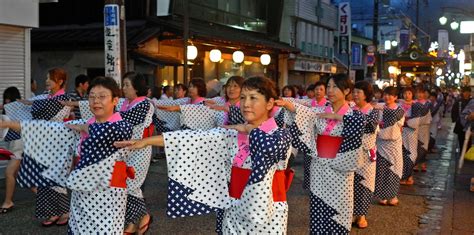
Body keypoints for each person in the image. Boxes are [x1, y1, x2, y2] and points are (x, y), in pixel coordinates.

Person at [115, 76, 293, 234]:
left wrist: (248, 129)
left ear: (270, 103)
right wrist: (147, 141)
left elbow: (269, 146)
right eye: (244, 98)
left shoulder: (280, 135)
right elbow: (191, 138)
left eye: (253, 98)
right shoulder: (232, 133)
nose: (246, 104)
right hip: (233, 205)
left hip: (267, 211)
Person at [278, 73, 365, 233]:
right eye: (329, 86)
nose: (330, 90)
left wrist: (337, 116)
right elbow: (302, 113)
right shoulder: (320, 110)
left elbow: (362, 125)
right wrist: (287, 105)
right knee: (318, 210)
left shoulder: (354, 114)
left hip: (340, 170)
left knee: (338, 212)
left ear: (346, 90)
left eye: (335, 87)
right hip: (319, 167)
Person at [15, 68, 72, 226]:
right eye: (47, 77)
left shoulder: (63, 98)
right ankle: (54, 211)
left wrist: (33, 105)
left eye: (50, 78)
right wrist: (19, 104)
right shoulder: (47, 97)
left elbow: (40, 111)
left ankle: (64, 212)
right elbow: (33, 105)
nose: (47, 80)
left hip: (57, 143)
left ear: (60, 82)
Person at [120, 72, 155, 234]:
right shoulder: (125, 103)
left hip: (139, 150)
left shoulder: (144, 104)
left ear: (137, 88)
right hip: (123, 151)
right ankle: (134, 222)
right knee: (121, 185)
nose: (124, 88)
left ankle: (143, 217)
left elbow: (124, 120)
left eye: (127, 85)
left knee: (131, 185)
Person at [352, 81, 379, 229]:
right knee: (350, 184)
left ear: (366, 95)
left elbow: (369, 127)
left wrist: (350, 121)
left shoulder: (373, 111)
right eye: (354, 92)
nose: (355, 95)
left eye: (358, 92)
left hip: (367, 153)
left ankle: (361, 215)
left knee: (364, 183)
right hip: (350, 153)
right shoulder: (350, 109)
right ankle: (350, 213)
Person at [373, 86, 405, 206]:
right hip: (381, 143)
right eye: (385, 94)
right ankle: (382, 195)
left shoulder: (399, 110)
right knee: (381, 169)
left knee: (394, 169)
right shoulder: (379, 107)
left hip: (394, 143)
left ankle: (393, 195)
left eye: (390, 95)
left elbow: (395, 119)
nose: (387, 97)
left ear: (396, 97)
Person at [0, 87, 23, 214]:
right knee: (24, 177)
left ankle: (8, 202)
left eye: (8, 99)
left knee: (9, 173)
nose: (6, 102)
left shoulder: (13, 111)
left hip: (18, 147)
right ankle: (53, 203)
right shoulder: (18, 109)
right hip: (18, 145)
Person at [399, 87, 422, 185]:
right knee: (403, 154)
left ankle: (408, 176)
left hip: (411, 133)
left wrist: (405, 120)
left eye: (409, 93)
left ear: (412, 94)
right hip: (401, 132)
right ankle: (408, 176)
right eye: (405, 93)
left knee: (411, 154)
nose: (407, 95)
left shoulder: (416, 104)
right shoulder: (399, 104)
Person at [415, 86, 432, 172]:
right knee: (416, 146)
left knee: (424, 146)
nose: (420, 95)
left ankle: (422, 163)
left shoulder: (427, 103)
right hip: (415, 128)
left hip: (424, 128)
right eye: (418, 93)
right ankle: (417, 164)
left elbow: (428, 118)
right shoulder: (413, 103)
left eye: (421, 93)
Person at [452, 86, 472, 153]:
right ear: (462, 93)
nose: (466, 93)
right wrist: (456, 119)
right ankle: (462, 153)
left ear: (470, 92)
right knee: (461, 139)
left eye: (468, 92)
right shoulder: (458, 101)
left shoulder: (472, 101)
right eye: (465, 92)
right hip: (460, 124)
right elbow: (454, 111)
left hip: (470, 124)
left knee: (469, 140)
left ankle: (467, 153)